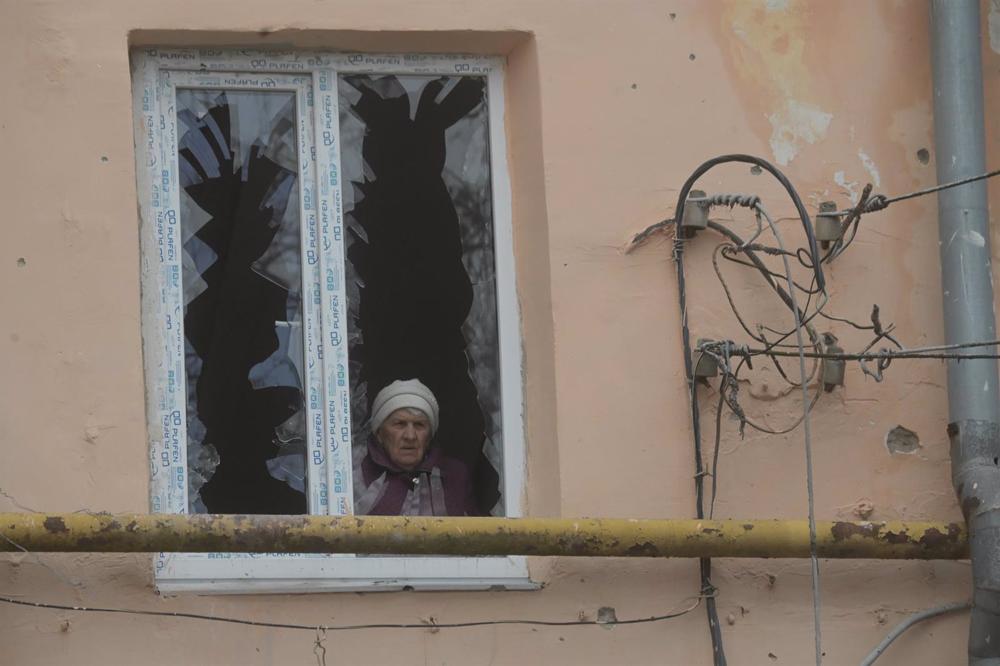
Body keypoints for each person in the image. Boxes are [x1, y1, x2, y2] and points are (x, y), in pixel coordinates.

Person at [356, 379, 479, 516]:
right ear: (379, 433)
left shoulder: (455, 477)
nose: (410, 436)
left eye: (419, 425)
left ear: (430, 436)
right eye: (399, 424)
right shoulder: (357, 474)